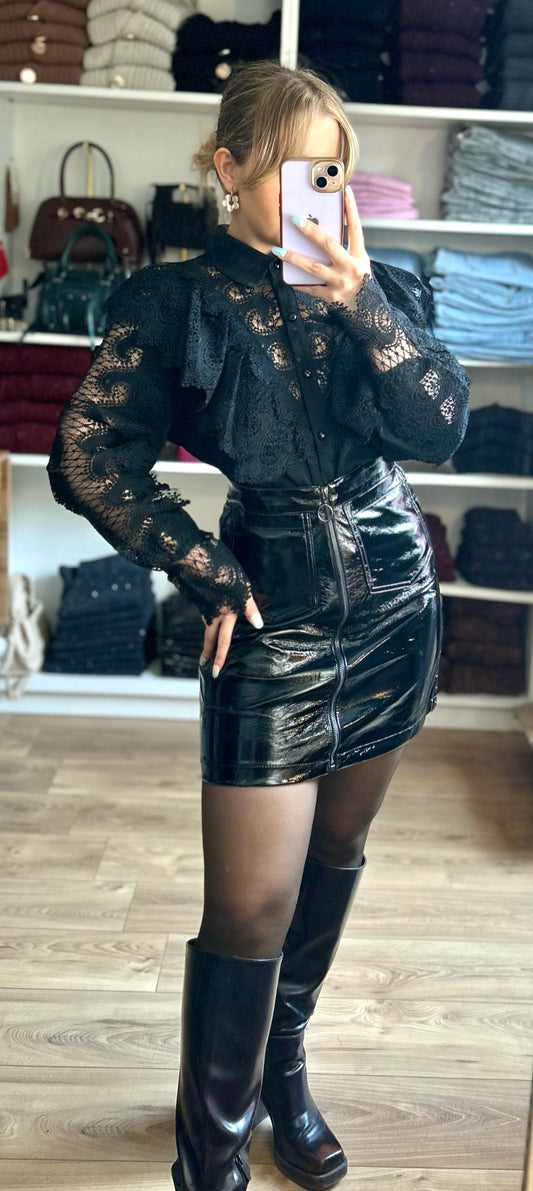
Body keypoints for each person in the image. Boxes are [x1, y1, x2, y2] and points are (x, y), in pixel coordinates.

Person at [46, 61, 470, 1191]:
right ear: (227, 169)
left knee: (336, 851)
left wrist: (359, 300)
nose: (316, 190)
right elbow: (86, 455)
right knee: (249, 902)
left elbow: (439, 429)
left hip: (393, 600)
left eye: (331, 168)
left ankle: (283, 1064)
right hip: (271, 617)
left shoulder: (381, 288)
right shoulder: (172, 302)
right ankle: (211, 1156)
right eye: (289, 166)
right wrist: (202, 567)